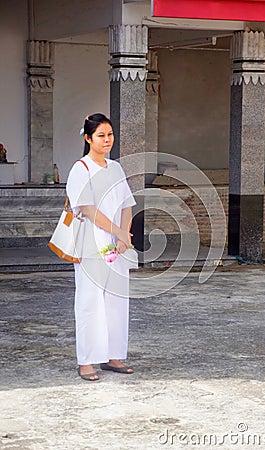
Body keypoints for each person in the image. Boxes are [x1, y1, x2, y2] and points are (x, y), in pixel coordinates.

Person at [66, 113, 136, 381]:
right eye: (100, 136)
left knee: (117, 300)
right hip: (91, 243)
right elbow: (88, 209)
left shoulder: (115, 168)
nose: (107, 140)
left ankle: (113, 355)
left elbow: (127, 203)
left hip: (117, 244)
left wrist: (123, 237)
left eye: (110, 135)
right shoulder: (80, 169)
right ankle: (86, 361)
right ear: (88, 138)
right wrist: (119, 232)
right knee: (89, 301)